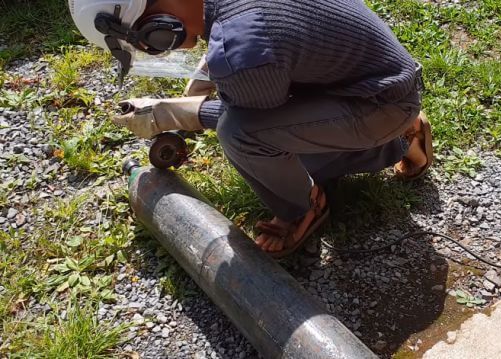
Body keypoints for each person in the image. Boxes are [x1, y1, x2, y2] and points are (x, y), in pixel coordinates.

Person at [69, 0, 434, 258]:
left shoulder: (241, 49)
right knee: (280, 141)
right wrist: (195, 90)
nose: (153, 48)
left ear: (155, 24)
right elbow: (235, 44)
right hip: (372, 78)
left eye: (144, 41)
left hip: (379, 103)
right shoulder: (227, 16)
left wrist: (174, 114)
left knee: (243, 137)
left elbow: (246, 121)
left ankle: (302, 208)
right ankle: (401, 132)